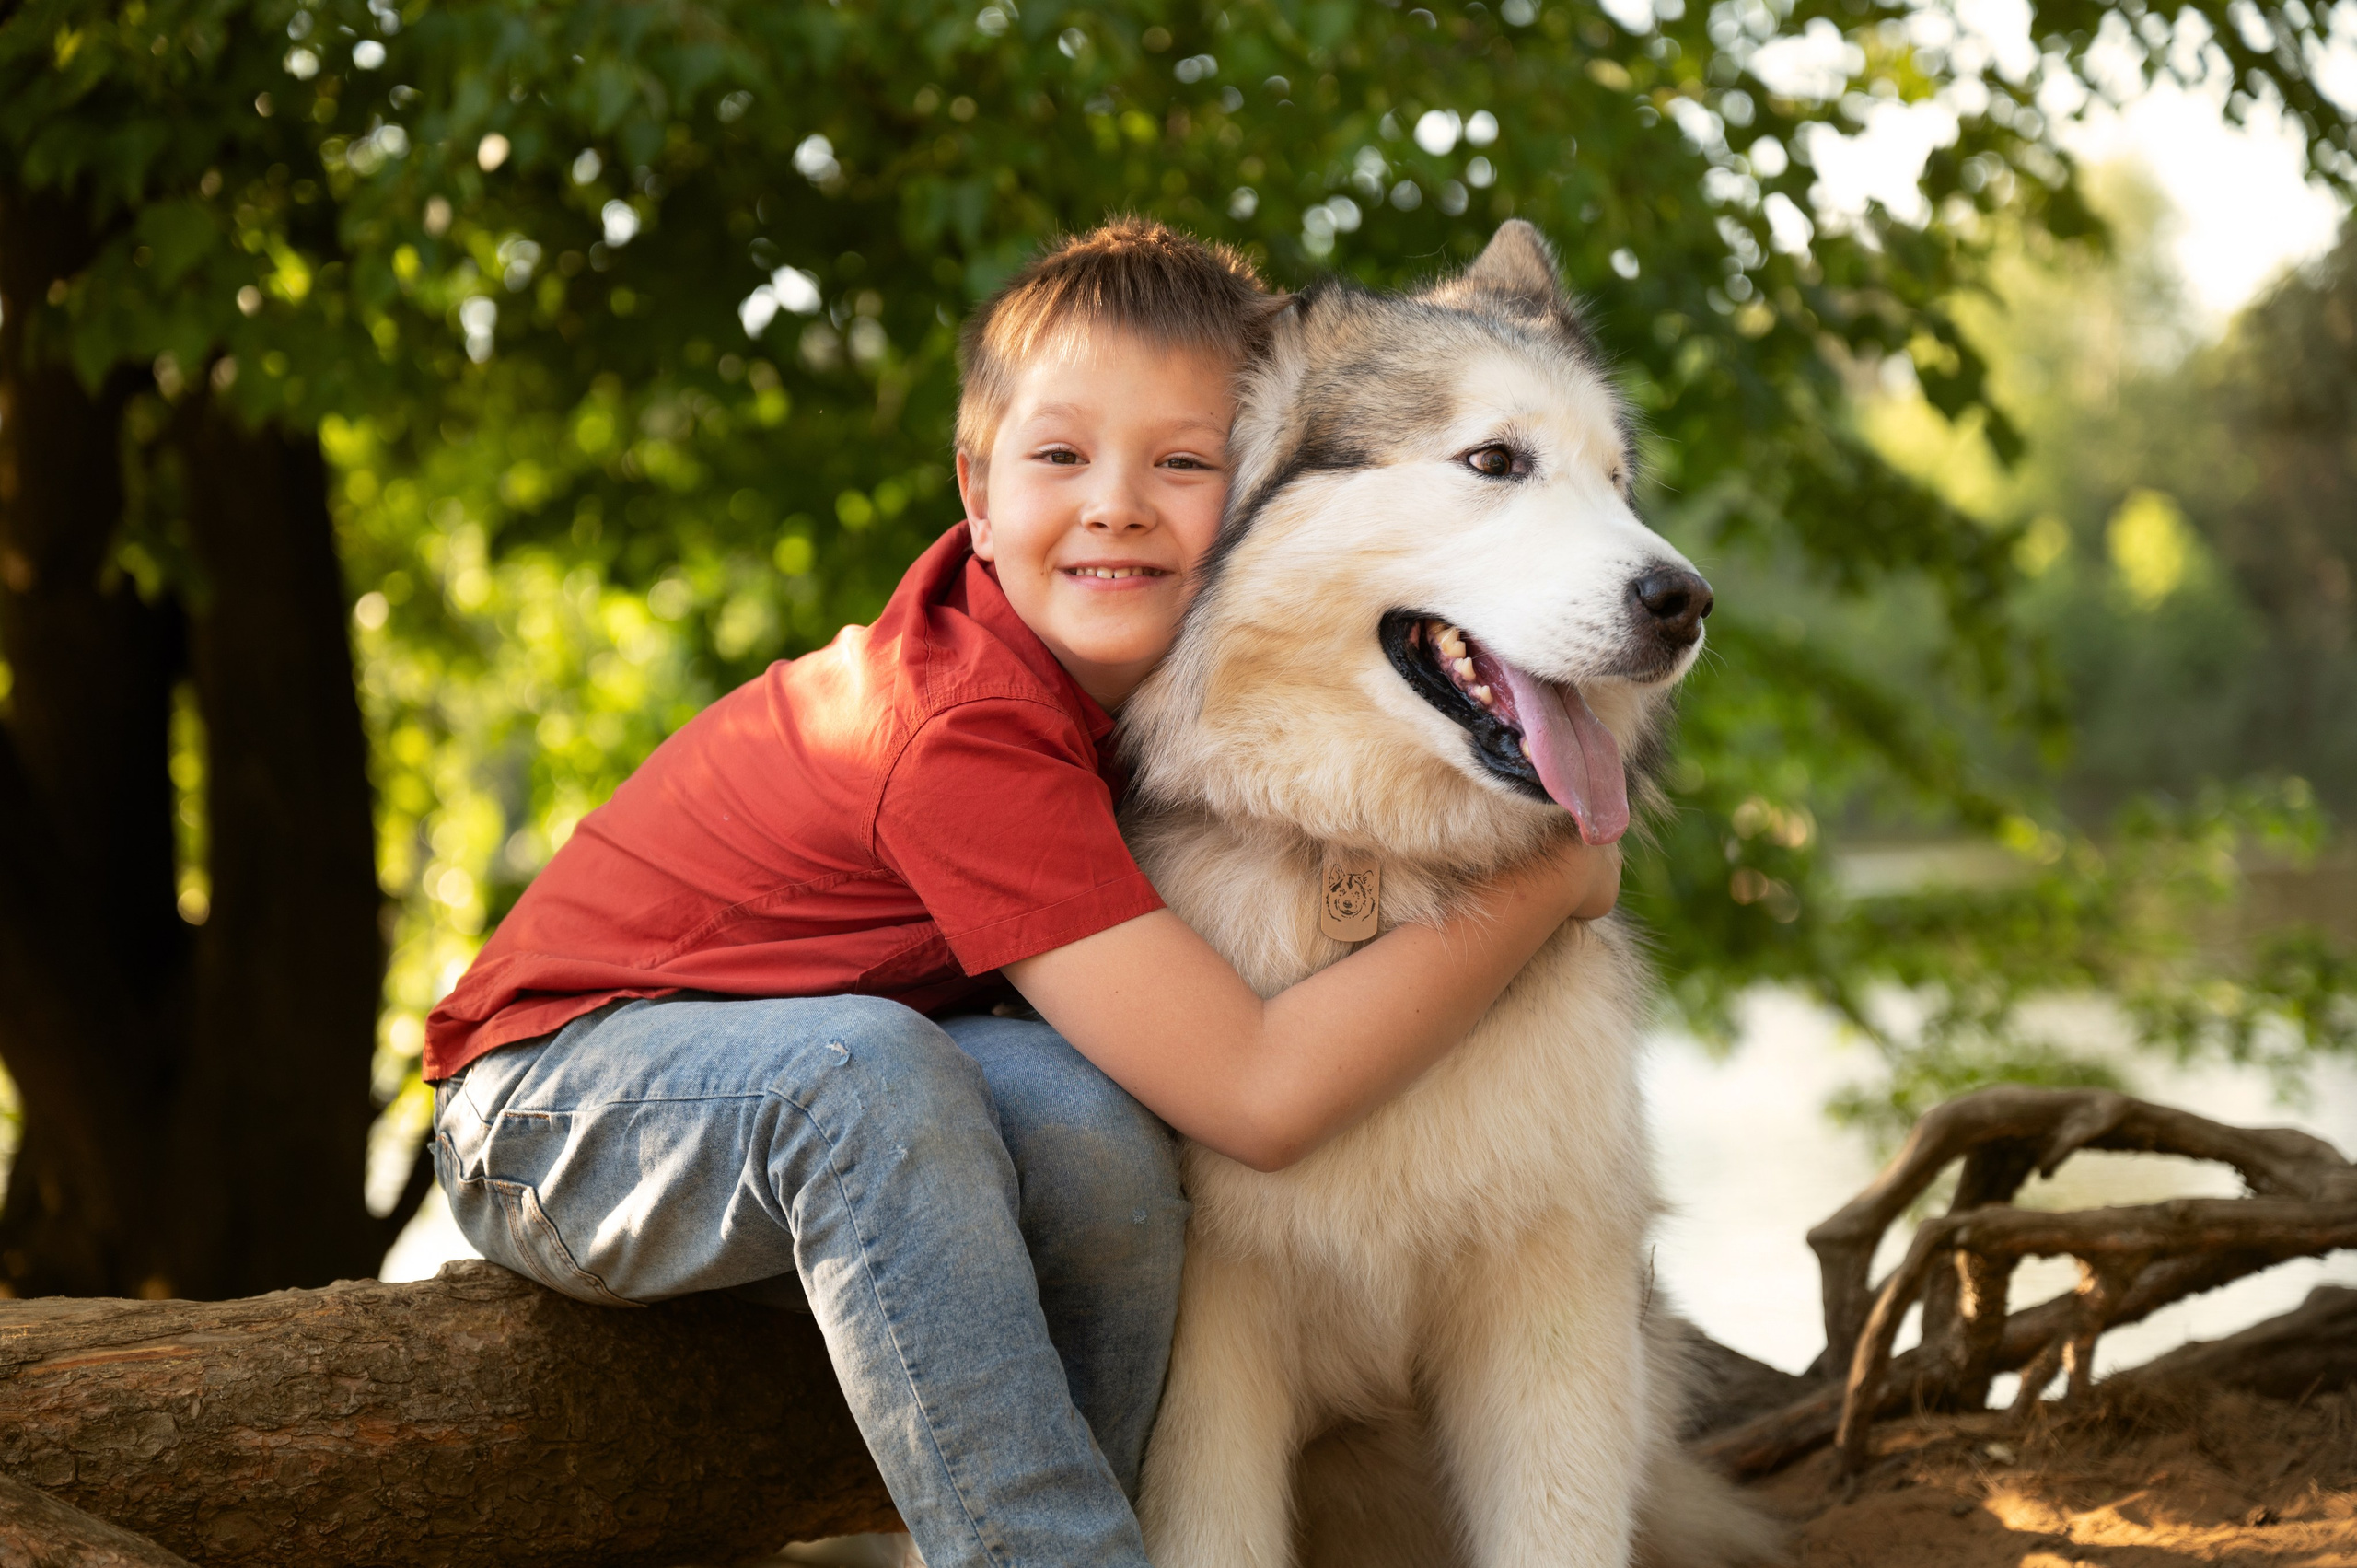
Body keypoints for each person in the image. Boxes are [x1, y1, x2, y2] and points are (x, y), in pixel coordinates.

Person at [424, 218, 1620, 1568]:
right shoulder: (957, 727)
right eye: (1060, 457)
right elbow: (1261, 1096)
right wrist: (1554, 880)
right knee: (862, 1074)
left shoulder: (1113, 696)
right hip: (548, 1105)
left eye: (1182, 464)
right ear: (976, 496)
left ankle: (1083, 1519)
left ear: (1251, 490)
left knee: (1094, 1123)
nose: (1116, 503)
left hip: (776, 1090)